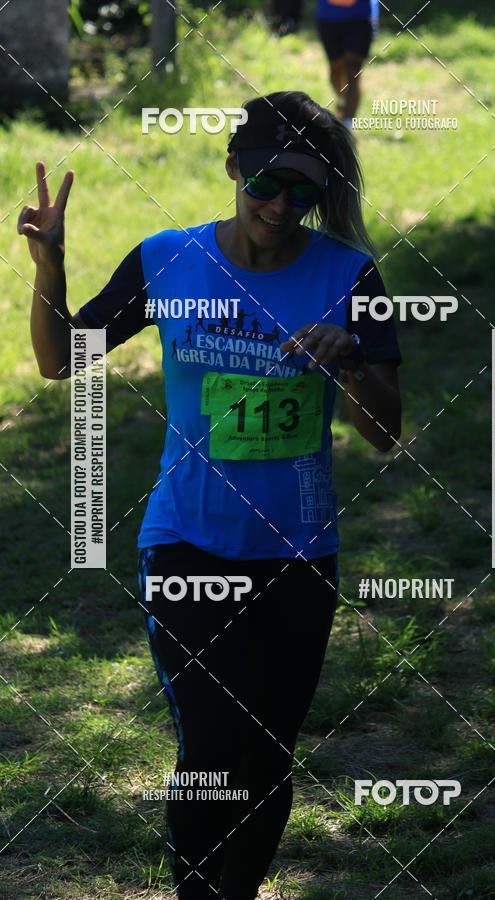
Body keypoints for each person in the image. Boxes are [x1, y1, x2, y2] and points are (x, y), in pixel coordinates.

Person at [20, 90, 402, 899]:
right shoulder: (168, 260)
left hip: (298, 552)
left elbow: (384, 431)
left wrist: (352, 364)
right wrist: (50, 267)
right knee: (213, 743)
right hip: (187, 540)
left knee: (267, 753)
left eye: (303, 191)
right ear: (233, 168)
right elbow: (61, 360)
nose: (280, 205)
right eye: (266, 183)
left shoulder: (350, 275)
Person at [316, 0, 379, 128]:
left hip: (361, 17)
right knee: (336, 70)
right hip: (329, 17)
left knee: (353, 70)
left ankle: (347, 125)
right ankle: (342, 100)